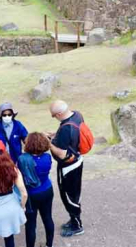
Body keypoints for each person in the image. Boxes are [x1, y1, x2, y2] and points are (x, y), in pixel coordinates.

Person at [46, 100, 85, 238]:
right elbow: (72, 138)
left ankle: (77, 225)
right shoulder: (77, 115)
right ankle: (73, 219)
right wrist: (56, 136)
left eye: (54, 115)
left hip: (69, 167)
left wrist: (49, 143)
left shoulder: (66, 128)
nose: (54, 117)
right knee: (74, 193)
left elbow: (61, 153)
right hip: (78, 159)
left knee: (69, 196)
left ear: (60, 113)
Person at [17, 133, 55, 247]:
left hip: (31, 194)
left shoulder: (22, 159)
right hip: (47, 190)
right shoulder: (47, 157)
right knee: (48, 218)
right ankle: (49, 244)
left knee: (31, 224)